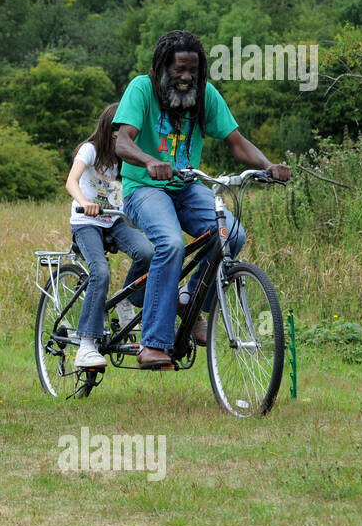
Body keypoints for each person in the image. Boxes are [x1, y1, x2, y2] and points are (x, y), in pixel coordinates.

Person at [114, 29, 291, 370]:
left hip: (186, 186)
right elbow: (123, 142)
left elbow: (236, 141)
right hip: (144, 187)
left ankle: (189, 300)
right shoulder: (141, 88)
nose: (186, 77)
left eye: (192, 70)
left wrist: (268, 166)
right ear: (163, 67)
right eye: (179, 69)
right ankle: (153, 343)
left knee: (232, 234)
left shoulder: (205, 95)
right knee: (170, 243)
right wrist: (150, 161)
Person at [64, 103, 154, 368]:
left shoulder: (124, 159)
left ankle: (126, 299)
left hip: (114, 220)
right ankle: (87, 344)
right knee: (100, 271)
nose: (124, 139)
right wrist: (84, 201)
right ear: (109, 130)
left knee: (148, 252)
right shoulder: (90, 150)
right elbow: (71, 181)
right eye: (119, 134)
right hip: (86, 221)